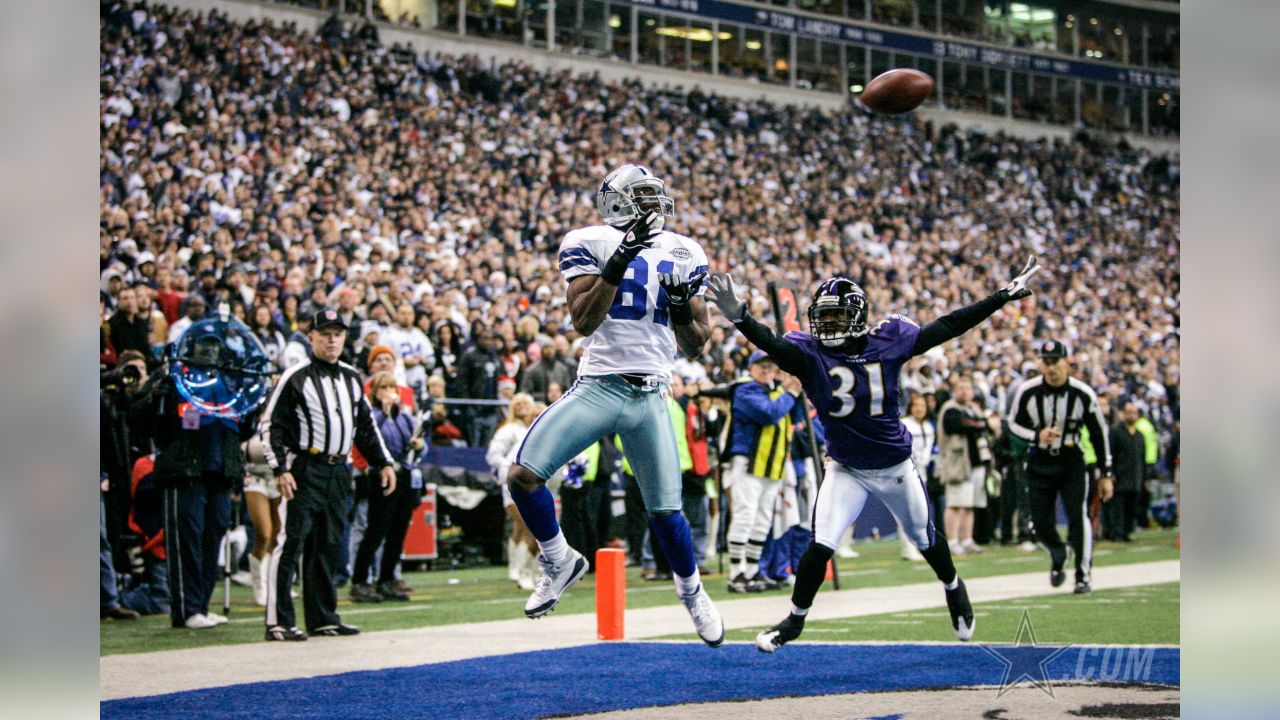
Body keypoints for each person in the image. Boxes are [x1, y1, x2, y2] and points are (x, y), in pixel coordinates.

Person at [707, 255, 1042, 652]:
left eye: (836, 316)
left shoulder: (890, 340)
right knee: (821, 544)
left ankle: (954, 588)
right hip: (846, 467)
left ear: (858, 315)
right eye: (823, 317)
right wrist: (741, 317)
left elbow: (948, 326)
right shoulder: (809, 354)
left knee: (925, 538)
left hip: (894, 465)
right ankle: (794, 621)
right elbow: (771, 342)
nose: (827, 325)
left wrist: (999, 298)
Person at [504, 164, 724, 646]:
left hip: (652, 396)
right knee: (522, 476)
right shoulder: (590, 240)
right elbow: (582, 320)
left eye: (654, 196)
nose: (650, 205)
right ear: (613, 202)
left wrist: (684, 305)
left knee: (667, 512)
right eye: (639, 196)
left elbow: (696, 344)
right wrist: (620, 259)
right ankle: (560, 559)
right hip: (601, 386)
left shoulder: (687, 251)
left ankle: (692, 593)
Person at [261, 309, 396, 641]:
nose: (333, 339)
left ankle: (323, 617)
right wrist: (280, 468)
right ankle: (278, 620)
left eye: (338, 333)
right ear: (311, 338)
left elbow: (366, 427)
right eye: (325, 334)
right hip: (305, 468)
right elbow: (271, 427)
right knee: (291, 542)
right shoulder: (295, 377)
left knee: (329, 545)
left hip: (339, 469)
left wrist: (385, 462)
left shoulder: (351, 377)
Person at [132, 326, 262, 630]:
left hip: (219, 472)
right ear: (191, 347)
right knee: (186, 539)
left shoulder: (228, 382)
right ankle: (186, 609)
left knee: (211, 537)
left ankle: (200, 605)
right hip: (184, 470)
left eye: (214, 345)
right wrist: (155, 395)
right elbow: (138, 416)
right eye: (204, 345)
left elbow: (242, 427)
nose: (209, 351)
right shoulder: (173, 376)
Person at [1007, 340, 1114, 594]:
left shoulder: (1082, 393)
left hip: (1071, 460)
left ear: (1067, 362)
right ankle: (1058, 552)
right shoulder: (1028, 391)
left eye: (1055, 361)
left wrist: (1106, 473)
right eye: (1046, 361)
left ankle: (1083, 575)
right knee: (1039, 523)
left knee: (1078, 516)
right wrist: (1036, 435)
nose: (1051, 367)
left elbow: (1099, 433)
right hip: (1039, 460)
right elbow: (1012, 423)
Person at [723, 351, 802, 592]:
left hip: (772, 464)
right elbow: (769, 414)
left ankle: (753, 569)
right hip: (749, 462)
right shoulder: (746, 390)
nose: (767, 370)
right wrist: (791, 393)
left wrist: (796, 392)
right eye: (762, 366)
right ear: (752, 369)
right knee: (745, 515)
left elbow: (795, 417)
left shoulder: (776, 391)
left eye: (770, 366)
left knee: (763, 518)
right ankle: (736, 573)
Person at [350, 372, 425, 603]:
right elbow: (370, 439)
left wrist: (419, 445)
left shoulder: (403, 416)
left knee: (397, 531)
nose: (389, 391)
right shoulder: (371, 415)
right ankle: (360, 580)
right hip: (380, 474)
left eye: (392, 387)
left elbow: (413, 442)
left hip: (403, 473)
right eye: (383, 387)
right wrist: (383, 414)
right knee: (376, 529)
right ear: (375, 392)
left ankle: (386, 579)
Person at [486, 393, 541, 590]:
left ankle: (522, 568)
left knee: (522, 528)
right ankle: (522, 571)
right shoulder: (509, 430)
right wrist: (508, 470)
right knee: (529, 526)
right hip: (514, 485)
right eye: (518, 404)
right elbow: (494, 456)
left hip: (536, 487)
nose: (523, 407)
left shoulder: (536, 432)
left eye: (527, 403)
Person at [938, 376, 997, 556]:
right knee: (955, 503)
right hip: (958, 464)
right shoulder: (950, 409)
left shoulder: (972, 409)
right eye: (961, 387)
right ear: (954, 390)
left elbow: (987, 429)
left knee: (969, 505)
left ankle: (967, 539)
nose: (964, 391)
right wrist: (985, 423)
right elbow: (963, 425)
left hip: (975, 463)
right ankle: (952, 540)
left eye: (968, 388)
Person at [899, 392, 935, 561]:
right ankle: (908, 548)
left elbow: (927, 452)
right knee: (906, 511)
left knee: (919, 511)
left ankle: (917, 545)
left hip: (922, 472)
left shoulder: (928, 426)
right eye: (916, 405)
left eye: (922, 405)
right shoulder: (905, 424)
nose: (920, 409)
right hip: (906, 471)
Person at [1105, 401, 1147, 542]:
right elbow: (1110, 453)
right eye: (1129, 412)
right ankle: (1116, 533)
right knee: (1117, 507)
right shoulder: (1116, 432)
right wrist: (1110, 473)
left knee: (1131, 507)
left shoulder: (1140, 435)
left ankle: (1126, 532)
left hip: (1135, 476)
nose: (1132, 416)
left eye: (1134, 413)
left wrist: (1144, 477)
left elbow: (1142, 457)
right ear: (1123, 414)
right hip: (1120, 476)